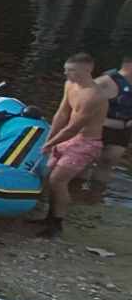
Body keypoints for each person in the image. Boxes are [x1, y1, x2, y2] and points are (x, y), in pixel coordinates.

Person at [38, 53, 112, 239]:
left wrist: (50, 144)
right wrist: (50, 137)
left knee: (58, 180)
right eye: (66, 70)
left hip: (86, 142)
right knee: (49, 176)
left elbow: (73, 127)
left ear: (87, 70)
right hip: (68, 139)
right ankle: (48, 217)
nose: (66, 74)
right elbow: (62, 114)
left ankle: (57, 224)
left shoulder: (94, 96)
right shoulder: (69, 85)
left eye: (71, 70)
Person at [92, 55, 132, 188]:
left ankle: (95, 197)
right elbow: (80, 103)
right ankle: (75, 193)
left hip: (122, 132)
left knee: (108, 162)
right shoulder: (105, 81)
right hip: (98, 128)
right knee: (84, 162)